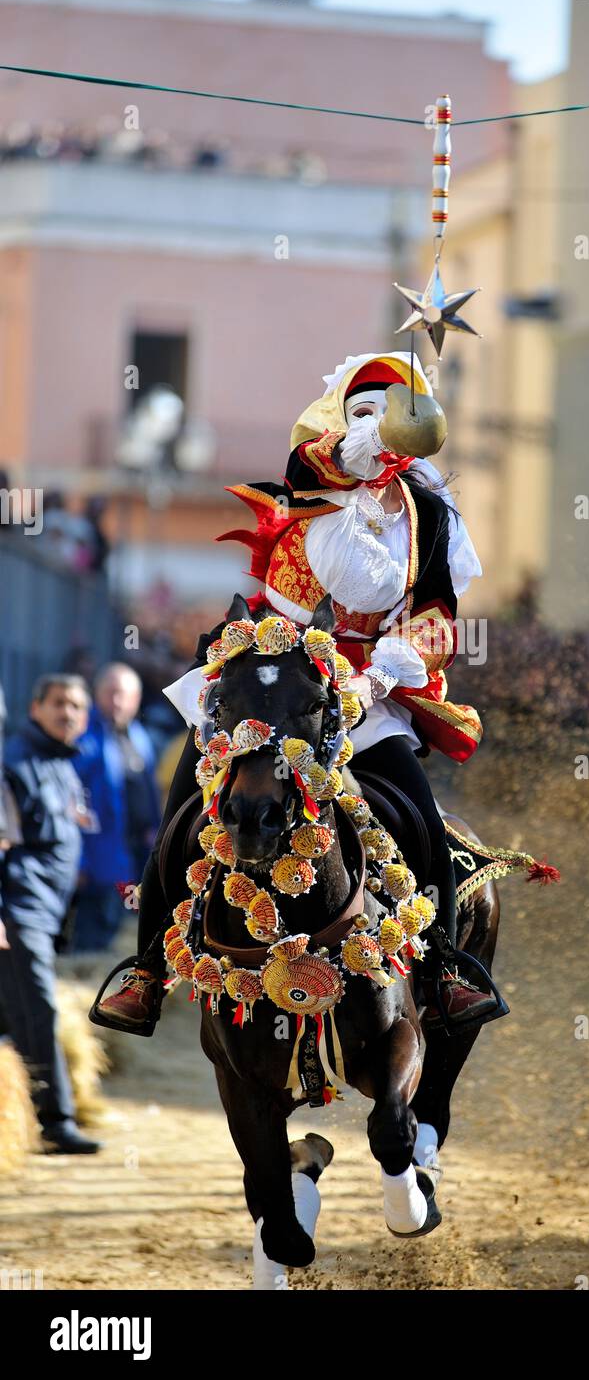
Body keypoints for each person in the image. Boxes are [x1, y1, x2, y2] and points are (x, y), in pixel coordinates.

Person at [97, 351, 501, 1034]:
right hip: (272, 669)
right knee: (186, 803)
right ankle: (146, 970)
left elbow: (435, 619)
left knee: (422, 817)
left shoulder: (428, 513)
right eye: (363, 411)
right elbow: (321, 460)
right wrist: (375, 436)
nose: (376, 426)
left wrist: (378, 678)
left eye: (391, 411)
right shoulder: (312, 477)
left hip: (366, 686)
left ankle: (444, 970)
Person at [0, 674, 102, 1153]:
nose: (68, 713)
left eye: (77, 706)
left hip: (45, 914)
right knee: (37, 1012)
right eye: (59, 703)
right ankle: (56, 1123)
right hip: (18, 913)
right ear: (35, 708)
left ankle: (25, 1121)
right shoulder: (13, 762)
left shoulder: (62, 762)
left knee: (18, 1014)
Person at [71, 663, 161, 953]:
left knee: (123, 926)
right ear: (96, 695)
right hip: (99, 856)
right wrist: (79, 862)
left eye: (124, 695)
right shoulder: (83, 737)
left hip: (135, 856)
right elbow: (72, 803)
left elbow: (149, 792)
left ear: (137, 700)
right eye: (111, 694)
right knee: (91, 931)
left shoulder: (139, 737)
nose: (117, 702)